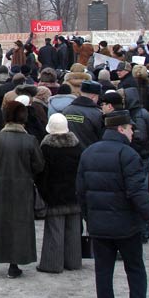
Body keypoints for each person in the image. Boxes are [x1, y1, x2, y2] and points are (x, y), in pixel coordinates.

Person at [77, 110, 149, 298]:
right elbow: (137, 192)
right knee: (135, 270)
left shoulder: (89, 153)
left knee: (103, 272)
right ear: (121, 129)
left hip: (99, 225)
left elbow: (81, 192)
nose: (133, 132)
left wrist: (89, 217)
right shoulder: (128, 155)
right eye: (131, 128)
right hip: (127, 227)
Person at [0, 100, 45, 278]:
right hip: (22, 187)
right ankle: (13, 265)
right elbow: (39, 165)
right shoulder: (30, 140)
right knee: (19, 224)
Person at [36, 113, 83, 274]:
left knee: (55, 230)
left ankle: (52, 264)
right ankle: (73, 261)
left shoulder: (46, 148)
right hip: (73, 193)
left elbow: (42, 174)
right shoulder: (77, 147)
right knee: (74, 230)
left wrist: (43, 193)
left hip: (54, 194)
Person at [62, 80, 104, 149]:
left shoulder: (66, 110)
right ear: (93, 97)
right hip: (90, 152)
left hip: (69, 152)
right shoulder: (97, 113)